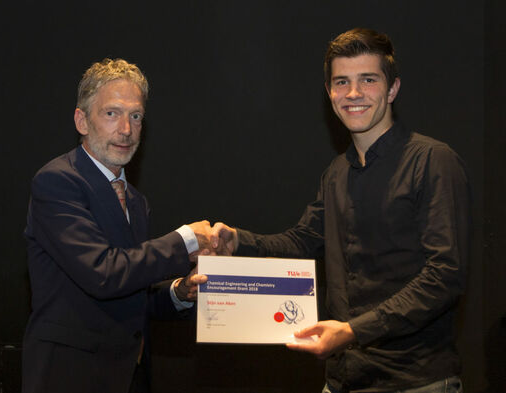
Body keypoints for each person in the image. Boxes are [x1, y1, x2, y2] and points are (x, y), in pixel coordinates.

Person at [212, 28, 470, 392]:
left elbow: (445, 277)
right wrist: (237, 241)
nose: (353, 93)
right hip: (342, 379)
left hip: (413, 382)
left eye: (368, 80)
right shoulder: (336, 173)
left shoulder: (433, 161)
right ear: (330, 93)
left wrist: (353, 331)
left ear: (392, 89)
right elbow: (303, 241)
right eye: (341, 82)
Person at [23, 58, 210, 393]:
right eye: (112, 113)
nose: (126, 129)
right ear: (82, 120)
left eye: (135, 116)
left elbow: (131, 294)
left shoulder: (136, 201)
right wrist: (184, 242)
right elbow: (103, 273)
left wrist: (177, 293)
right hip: (70, 378)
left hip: (128, 377)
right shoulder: (57, 181)